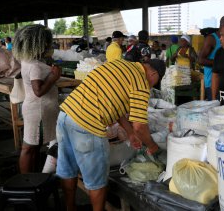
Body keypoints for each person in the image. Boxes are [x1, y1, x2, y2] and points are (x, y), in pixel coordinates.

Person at [56, 58, 165, 211]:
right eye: (155, 81)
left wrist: (129, 133)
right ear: (153, 73)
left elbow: (114, 104)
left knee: (68, 170)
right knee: (97, 183)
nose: (152, 85)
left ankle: (70, 208)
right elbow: (140, 126)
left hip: (65, 116)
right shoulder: (141, 82)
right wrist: (152, 146)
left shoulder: (119, 64)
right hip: (88, 125)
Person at [12, 24, 61, 173]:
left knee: (33, 147)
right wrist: (53, 77)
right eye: (47, 43)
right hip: (38, 111)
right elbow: (38, 91)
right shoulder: (35, 66)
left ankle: (32, 177)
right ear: (38, 44)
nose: (49, 46)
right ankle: (26, 180)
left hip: (37, 110)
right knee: (28, 148)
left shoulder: (28, 61)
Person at [199, 14, 224, 100]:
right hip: (212, 84)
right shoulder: (211, 39)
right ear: (223, 26)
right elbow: (200, 60)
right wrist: (221, 63)